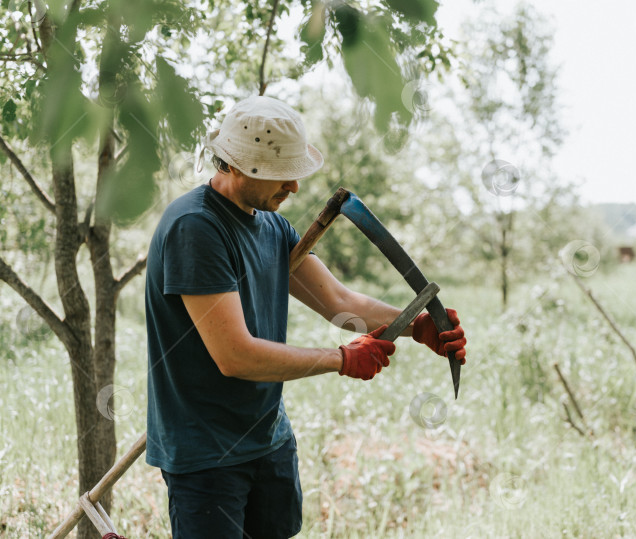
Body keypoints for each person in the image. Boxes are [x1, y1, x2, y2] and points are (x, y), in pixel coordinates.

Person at [144, 95, 467, 538]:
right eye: (281, 174)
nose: (294, 187)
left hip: (269, 438)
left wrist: (419, 326)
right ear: (236, 167)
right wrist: (341, 359)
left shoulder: (271, 226)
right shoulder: (195, 228)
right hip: (207, 455)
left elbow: (336, 299)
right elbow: (234, 356)